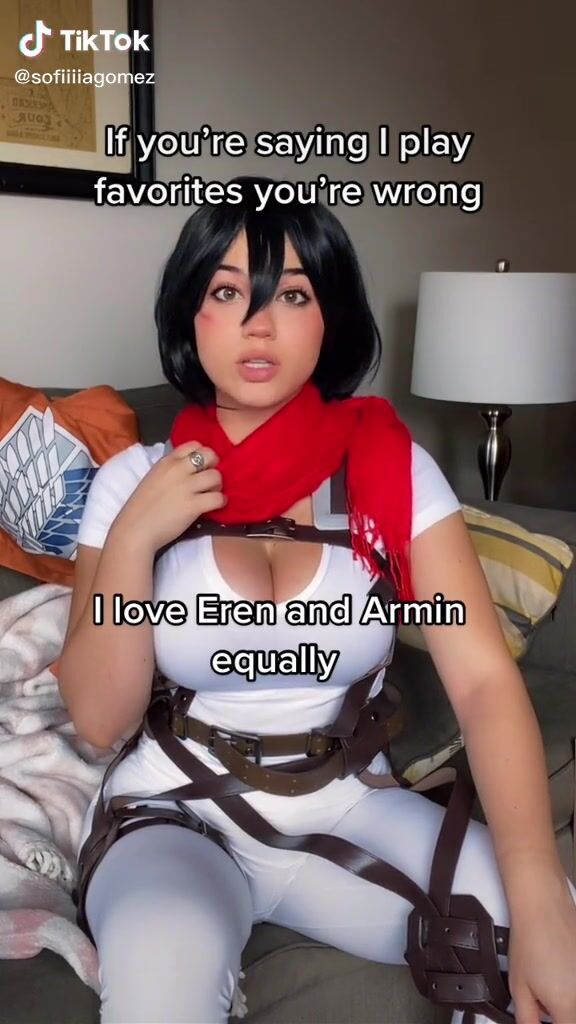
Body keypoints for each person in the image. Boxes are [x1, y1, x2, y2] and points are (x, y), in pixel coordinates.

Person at [58, 177, 576, 1024]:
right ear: (191, 316)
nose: (259, 324)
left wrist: (542, 891)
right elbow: (98, 719)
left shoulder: (390, 469)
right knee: (160, 979)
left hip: (350, 802)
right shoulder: (133, 481)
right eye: (228, 292)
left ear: (328, 317)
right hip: (175, 814)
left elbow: (484, 683)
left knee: (546, 937)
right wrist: (133, 537)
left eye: (292, 294)